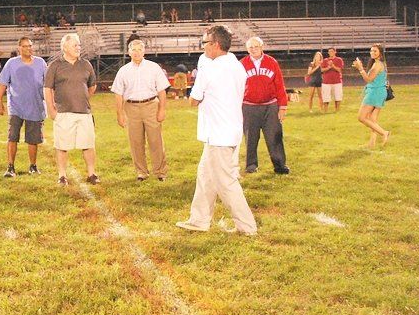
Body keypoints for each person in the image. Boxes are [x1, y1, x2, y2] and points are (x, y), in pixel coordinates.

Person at [175, 25, 257, 236]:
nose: (203, 47)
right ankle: (199, 219)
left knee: (225, 182)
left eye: (205, 43)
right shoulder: (237, 65)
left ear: (216, 45)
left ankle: (247, 226)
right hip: (230, 129)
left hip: (218, 133)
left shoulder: (210, 69)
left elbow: (193, 100)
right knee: (205, 176)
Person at [44, 33, 99, 186]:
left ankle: (92, 174)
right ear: (65, 47)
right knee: (62, 146)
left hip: (84, 112)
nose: (78, 48)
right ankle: (62, 176)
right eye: (75, 45)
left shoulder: (86, 64)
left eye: (79, 45)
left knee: (88, 144)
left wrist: (82, 98)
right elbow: (47, 89)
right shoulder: (55, 65)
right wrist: (51, 109)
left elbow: (92, 86)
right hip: (63, 113)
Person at [112, 39, 170, 181]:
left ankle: (160, 172)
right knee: (136, 142)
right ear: (129, 52)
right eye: (134, 49)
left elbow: (162, 90)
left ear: (144, 51)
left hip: (151, 106)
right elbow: (118, 94)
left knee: (156, 141)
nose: (136, 52)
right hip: (131, 108)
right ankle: (141, 172)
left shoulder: (153, 67)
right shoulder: (123, 71)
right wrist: (120, 114)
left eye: (139, 49)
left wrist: (162, 110)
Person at [0, 37, 47, 177]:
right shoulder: (12, 63)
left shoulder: (41, 63)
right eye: (25, 46)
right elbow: (2, 83)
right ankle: (10, 167)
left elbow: (48, 84)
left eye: (30, 45)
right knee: (12, 137)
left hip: (35, 106)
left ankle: (33, 166)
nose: (28, 48)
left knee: (33, 139)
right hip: (16, 107)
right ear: (19, 48)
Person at [241, 37, 289, 175]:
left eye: (256, 46)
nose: (254, 49)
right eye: (251, 47)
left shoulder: (271, 62)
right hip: (249, 106)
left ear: (262, 47)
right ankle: (251, 165)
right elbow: (236, 86)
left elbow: (279, 85)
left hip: (270, 106)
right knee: (250, 137)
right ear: (247, 49)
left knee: (274, 136)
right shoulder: (242, 64)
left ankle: (280, 165)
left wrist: (282, 107)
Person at [353, 44, 390, 148]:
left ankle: (384, 133)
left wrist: (360, 68)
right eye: (371, 51)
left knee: (361, 117)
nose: (372, 53)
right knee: (372, 120)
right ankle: (372, 143)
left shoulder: (377, 65)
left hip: (375, 93)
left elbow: (368, 79)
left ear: (380, 53)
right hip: (380, 92)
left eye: (375, 51)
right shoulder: (381, 63)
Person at [320, 47, 345, 112]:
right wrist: (328, 67)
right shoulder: (325, 60)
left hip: (337, 81)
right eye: (329, 51)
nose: (331, 53)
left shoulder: (339, 59)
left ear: (335, 52)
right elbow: (321, 70)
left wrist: (333, 66)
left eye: (332, 51)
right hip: (326, 82)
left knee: (338, 96)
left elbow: (339, 70)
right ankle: (325, 110)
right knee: (326, 97)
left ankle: (337, 110)